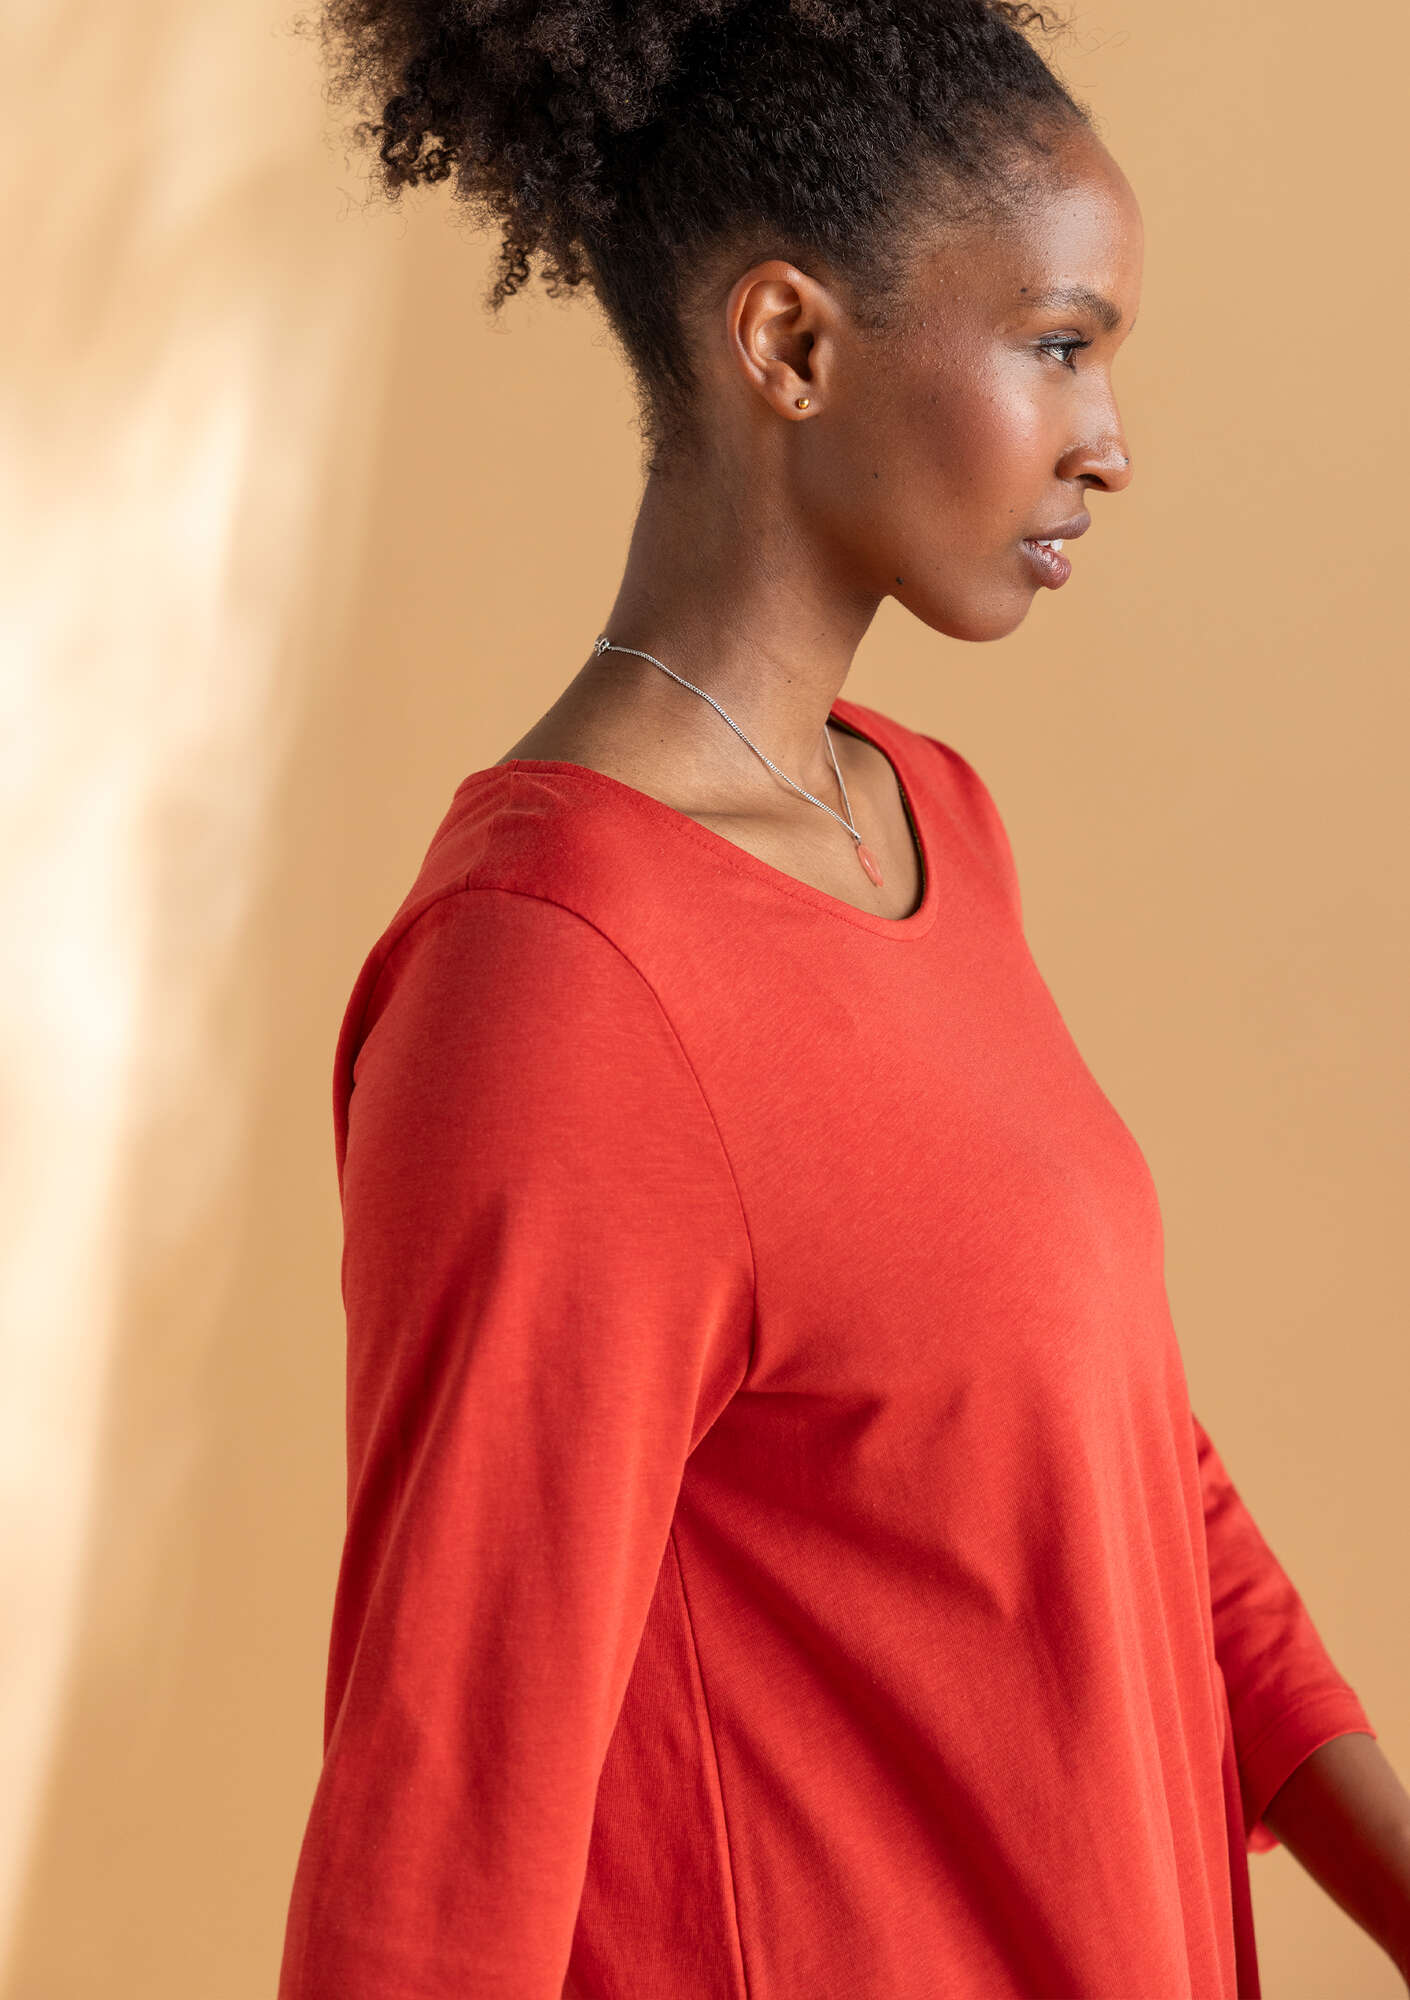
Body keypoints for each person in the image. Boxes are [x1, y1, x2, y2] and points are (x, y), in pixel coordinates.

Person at [276, 2, 1410, 1994]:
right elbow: (441, 1831)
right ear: (790, 344)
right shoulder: (555, 989)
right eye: (1057, 344)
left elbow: (1113, 1461)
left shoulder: (921, 820)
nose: (1111, 443)